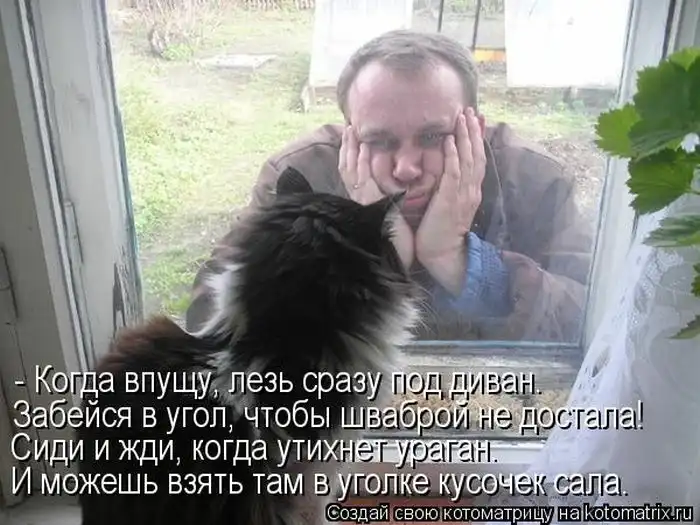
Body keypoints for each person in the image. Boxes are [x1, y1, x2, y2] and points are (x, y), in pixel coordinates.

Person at [185, 30, 593, 343]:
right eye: (379, 141)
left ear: (475, 129)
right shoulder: (299, 177)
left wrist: (461, 262)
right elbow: (209, 316)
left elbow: (591, 324)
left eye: (432, 137)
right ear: (351, 136)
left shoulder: (536, 180)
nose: (406, 168)